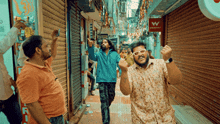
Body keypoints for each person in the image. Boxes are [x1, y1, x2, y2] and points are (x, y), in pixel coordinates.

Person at [119, 40, 182, 124]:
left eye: (142, 51)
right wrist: (123, 72)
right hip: (142, 120)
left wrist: (168, 60)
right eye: (136, 53)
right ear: (133, 56)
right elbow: (126, 92)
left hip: (166, 119)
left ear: (147, 53)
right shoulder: (130, 72)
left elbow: (177, 81)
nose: (140, 54)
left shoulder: (161, 64)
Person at [16, 30, 67, 124]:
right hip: (48, 120)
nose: (49, 49)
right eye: (46, 46)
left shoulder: (44, 64)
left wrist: (54, 41)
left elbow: (53, 54)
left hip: (56, 117)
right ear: (38, 50)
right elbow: (32, 105)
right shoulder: (28, 74)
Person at [88, 38, 121, 124]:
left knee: (111, 96)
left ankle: (105, 106)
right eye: (102, 42)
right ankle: (105, 121)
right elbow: (92, 57)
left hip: (112, 80)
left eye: (105, 42)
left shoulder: (115, 54)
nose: (103, 43)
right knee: (103, 101)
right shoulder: (99, 54)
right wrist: (90, 47)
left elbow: (120, 63)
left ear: (109, 45)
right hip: (102, 80)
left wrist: (122, 73)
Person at [0, 20, 25, 124]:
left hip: (7, 94)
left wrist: (11, 81)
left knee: (17, 120)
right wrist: (15, 28)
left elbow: (2, 70)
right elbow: (3, 46)